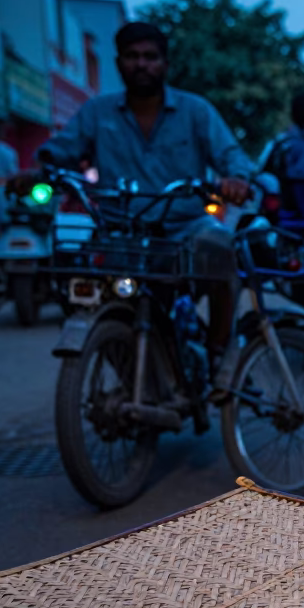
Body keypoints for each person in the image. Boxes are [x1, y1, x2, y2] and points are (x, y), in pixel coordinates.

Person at [36, 21, 252, 393]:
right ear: (119, 63)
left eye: (150, 57)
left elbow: (232, 156)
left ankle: (218, 354)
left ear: (165, 64)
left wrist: (236, 179)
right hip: (120, 233)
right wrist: (39, 171)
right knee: (77, 285)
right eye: (133, 57)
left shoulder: (195, 110)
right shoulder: (96, 112)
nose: (142, 64)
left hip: (185, 227)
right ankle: (126, 364)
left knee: (221, 252)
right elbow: (60, 152)